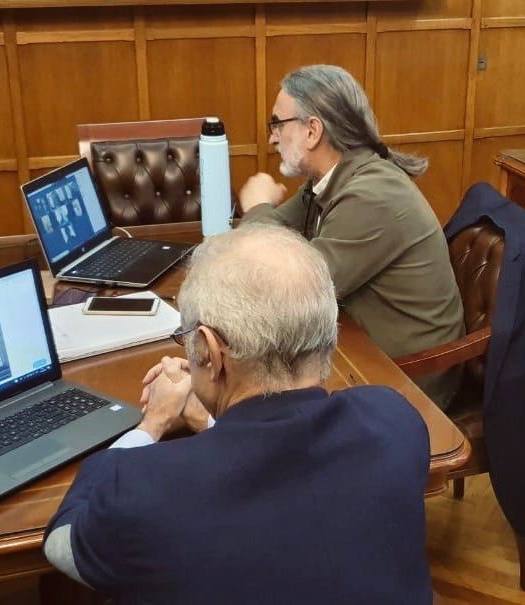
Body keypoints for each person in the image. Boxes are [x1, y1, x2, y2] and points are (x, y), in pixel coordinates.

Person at [43, 224, 433, 604]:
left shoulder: (141, 487)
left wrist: (152, 424)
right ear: (328, 329)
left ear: (212, 353)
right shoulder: (393, 421)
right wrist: (208, 423)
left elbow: (63, 541)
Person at [239, 64, 464, 408]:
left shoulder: (372, 193)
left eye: (277, 124)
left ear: (312, 130)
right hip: (358, 351)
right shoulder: (327, 179)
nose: (271, 137)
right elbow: (265, 250)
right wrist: (261, 218)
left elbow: (298, 288)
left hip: (408, 380)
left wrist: (256, 207)